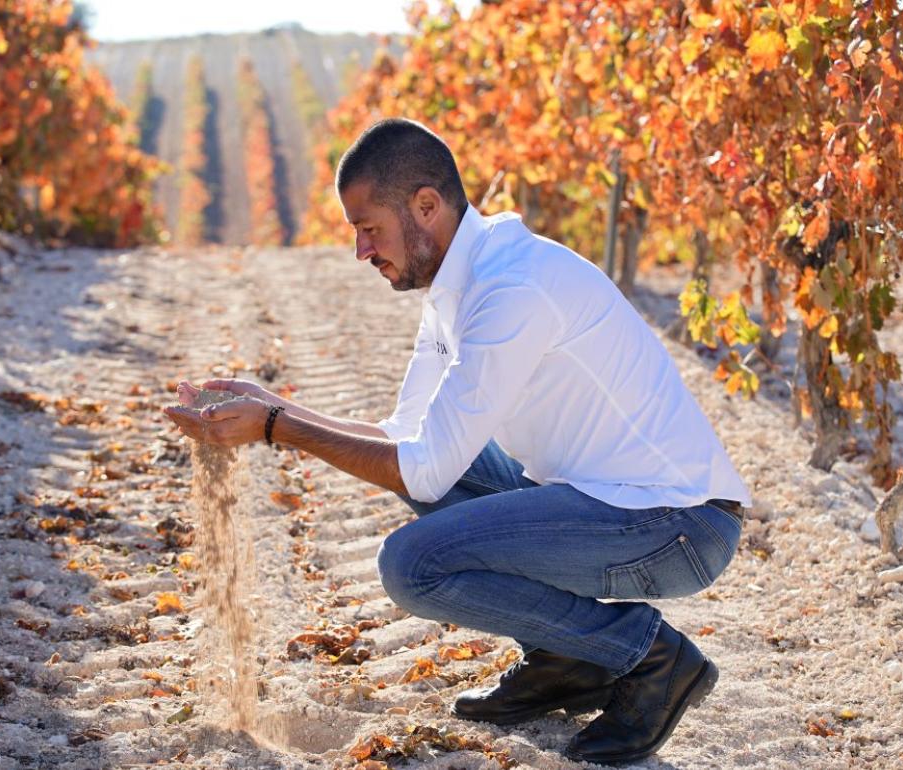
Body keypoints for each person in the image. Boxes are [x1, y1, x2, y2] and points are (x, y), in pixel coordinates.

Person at [164, 118, 751, 765]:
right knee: (449, 464)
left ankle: (652, 658)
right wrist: (278, 409)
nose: (361, 251)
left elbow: (419, 473)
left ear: (426, 206)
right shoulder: (457, 285)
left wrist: (276, 429)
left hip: (677, 526)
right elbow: (407, 440)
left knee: (413, 566)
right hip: (608, 503)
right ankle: (567, 658)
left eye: (369, 228)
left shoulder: (509, 289)